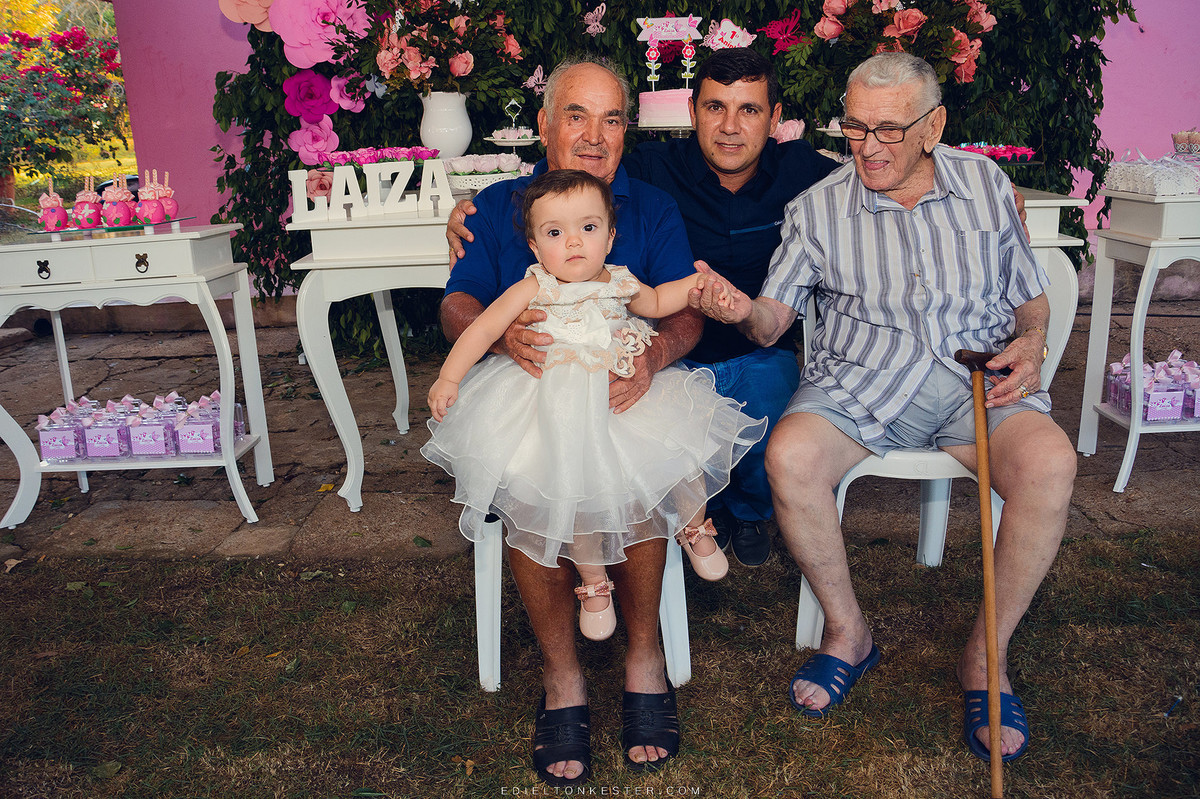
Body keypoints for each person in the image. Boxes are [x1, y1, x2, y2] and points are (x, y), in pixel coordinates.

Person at [691, 52, 1076, 764]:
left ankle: (987, 659)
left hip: (975, 383)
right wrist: (743, 309)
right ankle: (848, 632)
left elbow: (1030, 294)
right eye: (855, 127)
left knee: (1052, 462)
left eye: (889, 130)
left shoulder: (986, 185)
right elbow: (774, 318)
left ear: (934, 126)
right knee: (790, 454)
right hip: (863, 384)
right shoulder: (817, 209)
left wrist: (1032, 338)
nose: (868, 147)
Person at [437, 57, 710, 783]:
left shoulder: (649, 209)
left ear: (628, 130)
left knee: (639, 465)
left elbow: (678, 311)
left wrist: (651, 359)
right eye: (576, 116)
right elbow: (458, 303)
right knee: (530, 468)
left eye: (612, 118)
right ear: (544, 125)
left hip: (622, 380)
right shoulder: (498, 206)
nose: (594, 135)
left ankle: (643, 656)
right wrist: (497, 337)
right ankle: (564, 677)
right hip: (530, 390)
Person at [424, 169, 761, 649]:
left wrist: (699, 286)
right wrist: (449, 377)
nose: (574, 242)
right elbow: (482, 329)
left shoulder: (622, 280)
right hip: (556, 406)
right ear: (536, 248)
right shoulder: (533, 287)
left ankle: (694, 524)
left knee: (675, 443)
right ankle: (594, 583)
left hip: (620, 391)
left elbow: (664, 299)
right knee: (573, 487)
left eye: (588, 228)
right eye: (555, 233)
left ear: (609, 238)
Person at [620, 47, 840, 566]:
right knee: (664, 433)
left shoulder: (805, 172)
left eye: (749, 110)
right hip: (675, 347)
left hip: (761, 346)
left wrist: (982, 180)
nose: (730, 127)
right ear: (693, 111)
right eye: (716, 107)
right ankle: (699, 513)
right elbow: (573, 171)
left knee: (774, 428)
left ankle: (748, 511)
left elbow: (887, 167)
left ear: (776, 118)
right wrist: (484, 204)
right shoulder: (653, 167)